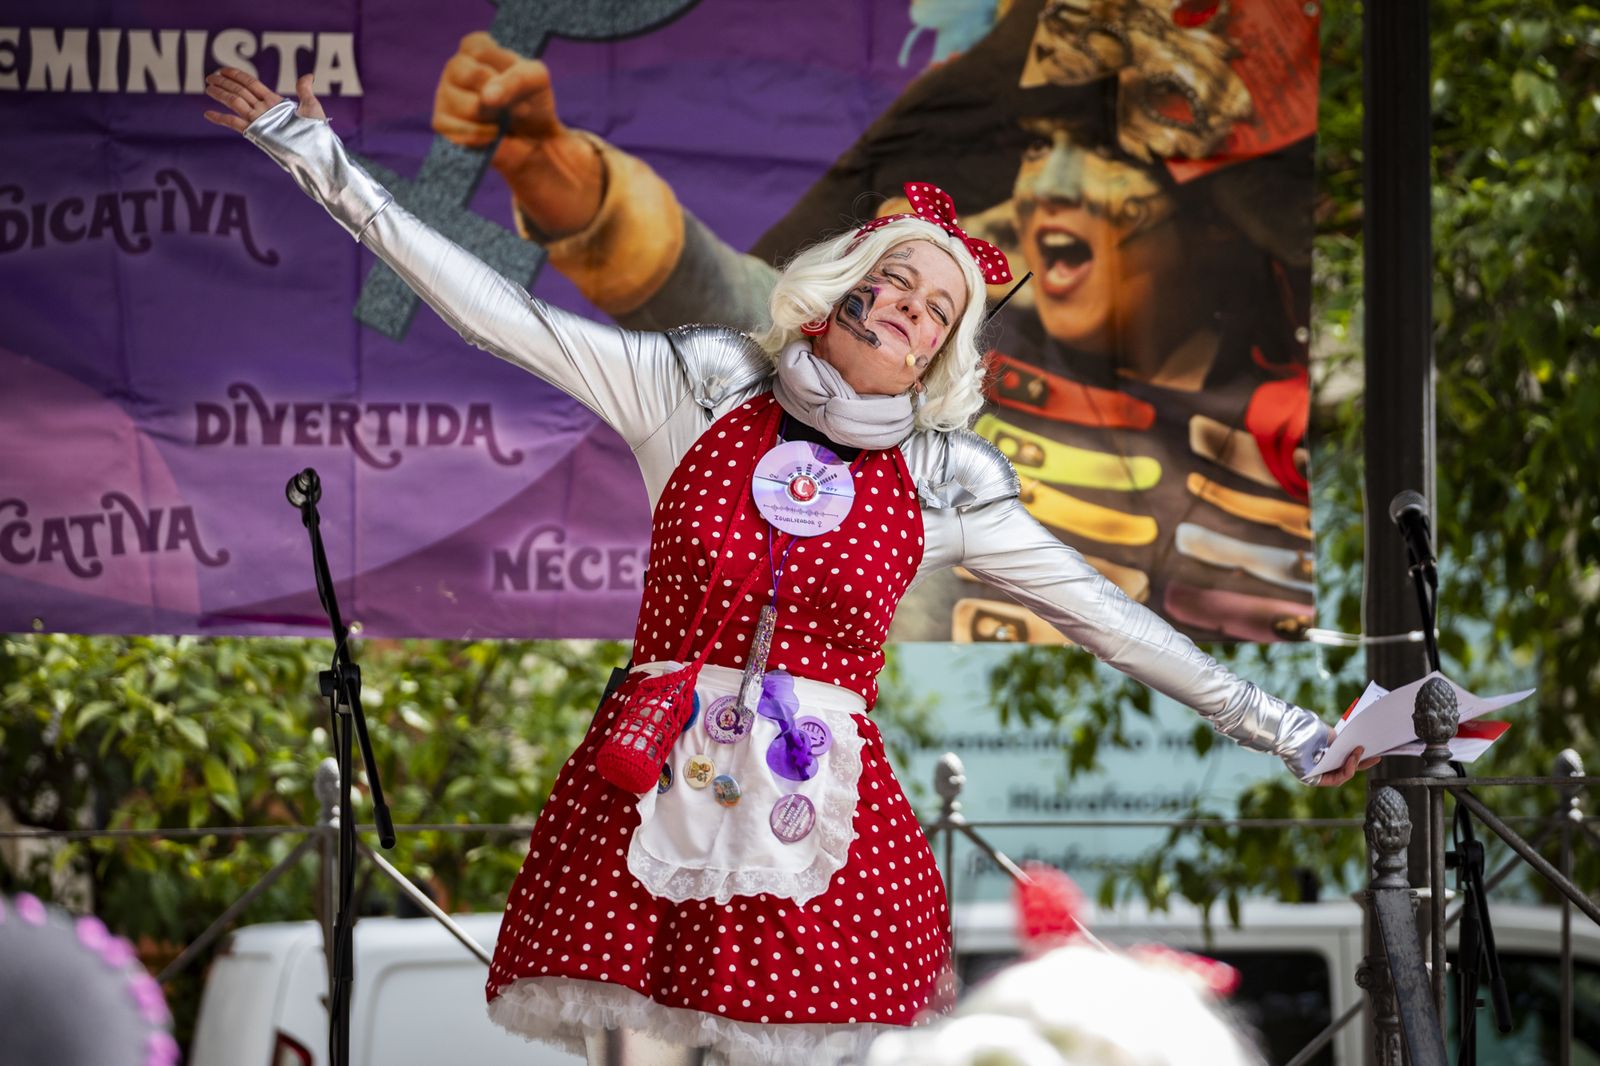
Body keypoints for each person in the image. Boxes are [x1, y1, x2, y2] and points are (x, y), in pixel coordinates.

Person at [203, 68, 1373, 1066]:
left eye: (933, 311)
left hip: (818, 817)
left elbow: (1113, 621)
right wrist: (316, 157)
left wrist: (1295, 731)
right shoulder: (702, 384)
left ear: (938, 355)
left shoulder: (942, 478)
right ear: (840, 288)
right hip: (652, 779)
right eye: (894, 283)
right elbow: (498, 314)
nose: (905, 311)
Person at [424, 6, 1321, 644]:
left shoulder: (1262, 438)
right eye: (1044, 144)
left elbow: (1132, 635)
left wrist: (1300, 735)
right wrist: (554, 169)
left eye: (1113, 160)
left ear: (1217, 224)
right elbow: (715, 289)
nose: (1046, 185)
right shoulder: (869, 378)